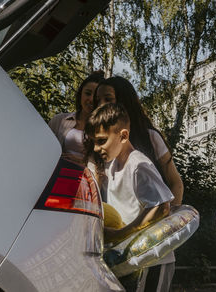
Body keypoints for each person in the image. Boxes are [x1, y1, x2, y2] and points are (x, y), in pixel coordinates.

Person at [91, 76, 182, 291]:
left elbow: (163, 203)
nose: (102, 105)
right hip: (129, 256)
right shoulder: (111, 161)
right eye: (98, 100)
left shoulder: (139, 163)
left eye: (108, 99)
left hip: (152, 256)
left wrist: (165, 233)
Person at [48, 71, 105, 164]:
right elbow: (43, 149)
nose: (91, 99)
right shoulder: (59, 120)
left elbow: (105, 165)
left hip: (86, 177)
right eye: (88, 93)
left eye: (95, 97)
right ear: (80, 94)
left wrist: (83, 162)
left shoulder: (104, 130)